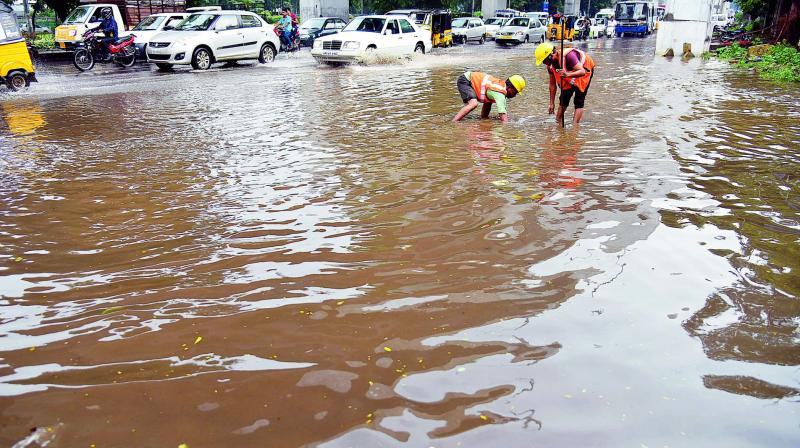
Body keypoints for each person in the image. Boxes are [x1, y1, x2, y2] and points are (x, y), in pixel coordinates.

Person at [535, 42, 595, 126]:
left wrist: (567, 74)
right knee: (564, 98)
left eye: (544, 60)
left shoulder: (569, 56)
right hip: (568, 73)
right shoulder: (550, 66)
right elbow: (552, 85)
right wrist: (551, 103)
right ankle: (558, 122)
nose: (544, 63)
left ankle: (575, 127)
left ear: (551, 54)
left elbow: (582, 71)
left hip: (584, 69)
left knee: (579, 99)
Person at [453, 71, 526, 123]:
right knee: (473, 104)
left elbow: (487, 104)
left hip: (468, 79)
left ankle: (483, 119)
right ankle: (453, 122)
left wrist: (484, 120)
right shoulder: (500, 93)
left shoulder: (499, 86)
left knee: (488, 103)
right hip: (466, 81)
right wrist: (507, 124)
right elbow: (502, 113)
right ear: (510, 87)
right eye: (515, 92)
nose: (514, 95)